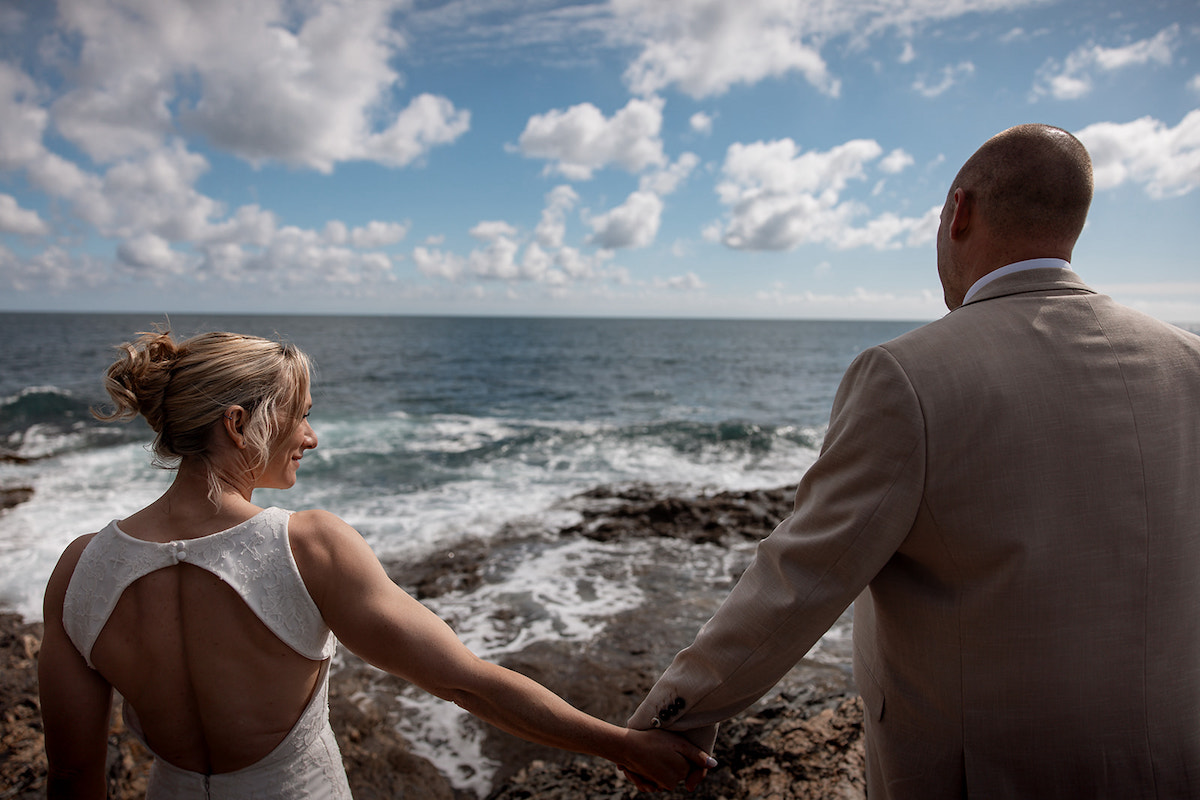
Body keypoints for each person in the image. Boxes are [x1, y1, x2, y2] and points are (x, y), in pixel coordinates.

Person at [627, 123, 1200, 798]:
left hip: (985, 775)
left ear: (959, 213)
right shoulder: (1187, 361)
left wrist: (673, 715)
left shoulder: (906, 375)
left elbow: (802, 576)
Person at [39, 330, 714, 799]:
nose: (311, 436)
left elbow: (72, 780)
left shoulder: (79, 571)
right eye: (299, 417)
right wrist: (622, 745)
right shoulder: (307, 547)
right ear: (239, 425)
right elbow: (467, 684)